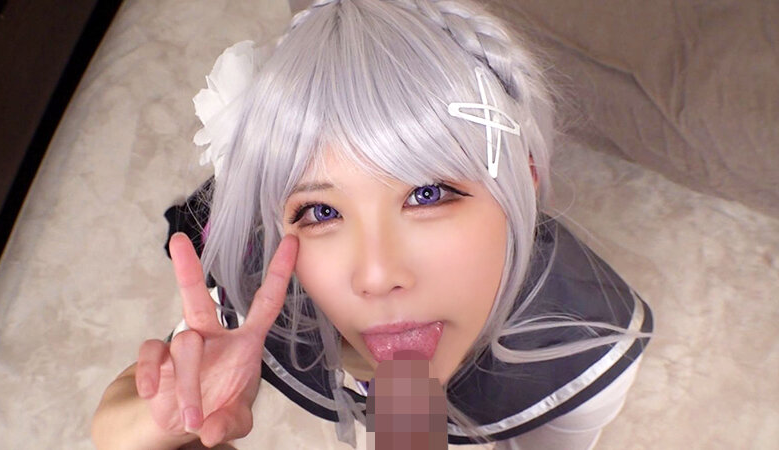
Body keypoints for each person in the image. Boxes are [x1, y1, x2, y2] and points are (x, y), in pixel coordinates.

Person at [91, 0, 653, 448]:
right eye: (321, 211)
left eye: (427, 194)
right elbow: (117, 426)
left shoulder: (583, 340)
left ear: (523, 181)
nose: (378, 275)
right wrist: (173, 420)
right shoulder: (268, 278)